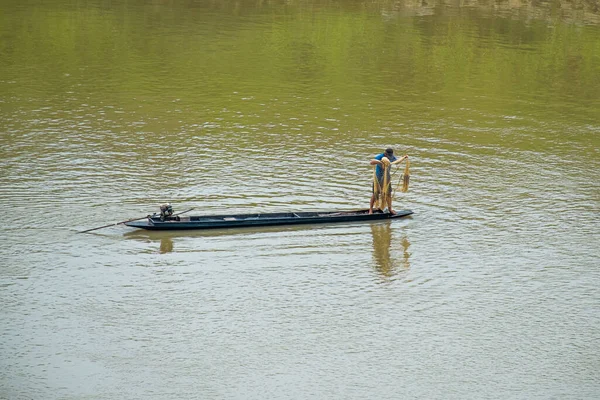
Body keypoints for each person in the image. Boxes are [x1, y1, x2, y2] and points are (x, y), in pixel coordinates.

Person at [369, 148, 408, 215]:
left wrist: (404, 158)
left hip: (387, 178)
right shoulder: (380, 156)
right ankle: (370, 210)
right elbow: (371, 162)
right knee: (375, 194)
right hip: (378, 178)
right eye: (388, 156)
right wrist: (380, 162)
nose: (390, 157)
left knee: (388, 194)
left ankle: (390, 209)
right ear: (385, 154)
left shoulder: (391, 157)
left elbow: (396, 162)